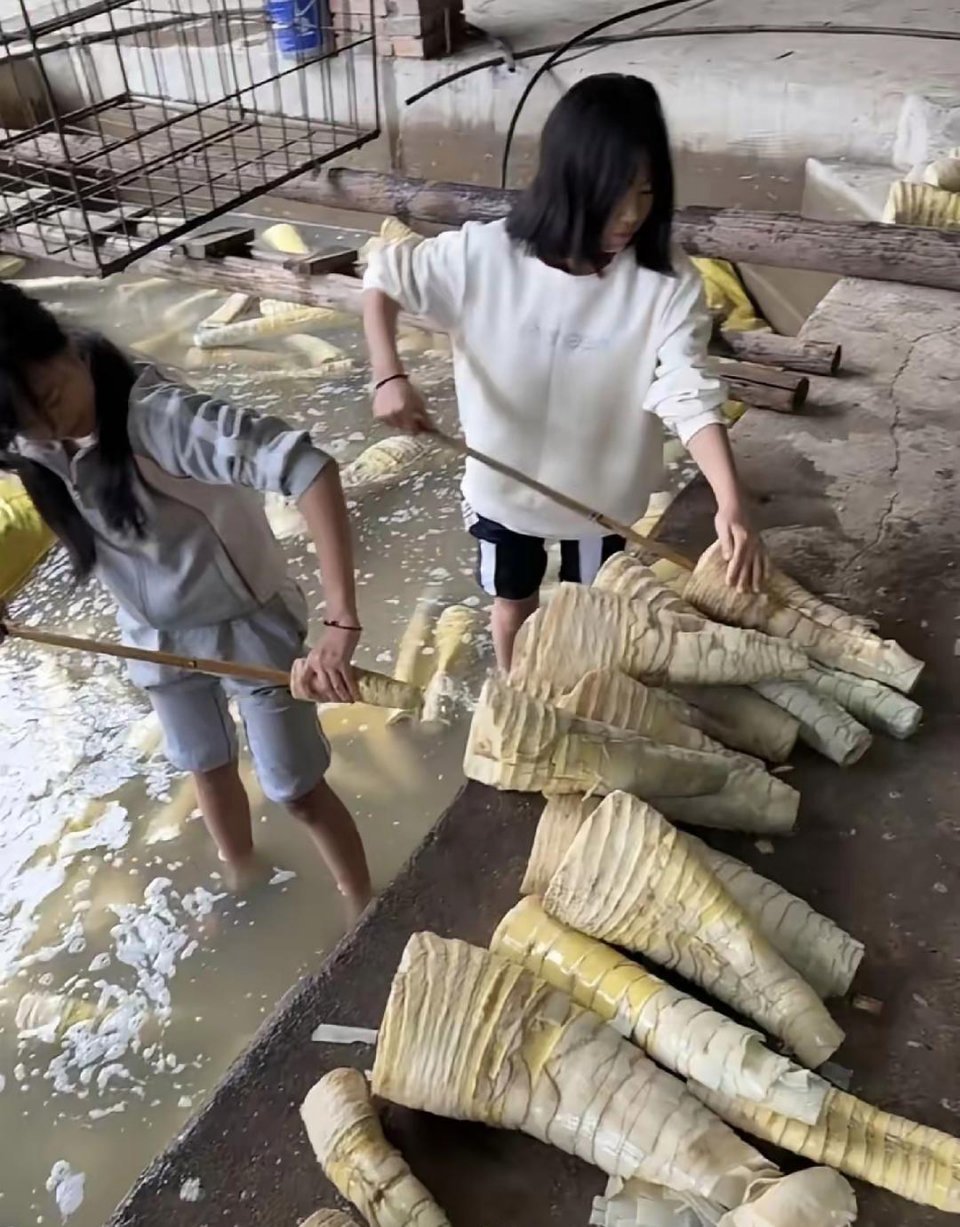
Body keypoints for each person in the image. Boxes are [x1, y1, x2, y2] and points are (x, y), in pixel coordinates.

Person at [362, 73, 766, 670]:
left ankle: (580, 691)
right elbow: (384, 276)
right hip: (502, 490)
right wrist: (387, 374)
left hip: (601, 497)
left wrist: (730, 502)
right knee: (513, 604)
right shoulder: (485, 255)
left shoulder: (665, 281)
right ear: (568, 183)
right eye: (614, 194)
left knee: (591, 610)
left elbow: (688, 390)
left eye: (647, 192)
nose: (631, 215)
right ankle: (515, 689)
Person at [0, 283, 371, 916]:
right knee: (205, 764)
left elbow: (309, 468)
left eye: (53, 402)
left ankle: (361, 901)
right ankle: (242, 876)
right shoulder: (25, 433)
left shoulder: (164, 419)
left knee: (296, 788)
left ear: (66, 350)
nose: (50, 430)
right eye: (26, 428)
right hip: (152, 632)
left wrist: (341, 623)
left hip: (248, 624)